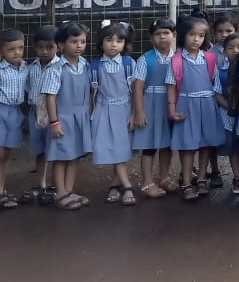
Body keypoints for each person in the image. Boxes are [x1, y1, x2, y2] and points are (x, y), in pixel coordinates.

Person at [167, 16, 224, 203]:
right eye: (192, 34)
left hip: (207, 105)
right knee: (188, 146)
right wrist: (172, 109)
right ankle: (186, 182)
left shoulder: (209, 58)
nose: (196, 39)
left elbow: (215, 84)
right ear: (183, 35)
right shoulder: (176, 60)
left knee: (206, 144)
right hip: (186, 105)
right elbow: (171, 85)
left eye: (201, 35)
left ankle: (201, 179)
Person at [41, 23, 94, 211]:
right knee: (61, 156)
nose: (79, 46)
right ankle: (60, 192)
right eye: (74, 41)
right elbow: (50, 97)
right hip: (63, 118)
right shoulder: (55, 68)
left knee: (75, 155)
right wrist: (54, 121)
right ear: (61, 45)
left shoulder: (86, 65)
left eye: (82, 42)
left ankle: (70, 190)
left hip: (81, 116)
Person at [91, 22, 136, 207]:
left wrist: (134, 113)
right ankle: (127, 186)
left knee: (122, 150)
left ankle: (115, 185)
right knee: (113, 149)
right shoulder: (94, 66)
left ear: (125, 44)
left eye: (119, 41)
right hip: (103, 111)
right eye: (109, 40)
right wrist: (91, 115)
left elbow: (136, 91)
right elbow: (91, 93)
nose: (114, 44)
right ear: (101, 43)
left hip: (125, 111)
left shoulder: (129, 63)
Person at [131, 17, 175, 198]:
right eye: (158, 34)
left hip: (169, 105)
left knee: (167, 145)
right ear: (151, 38)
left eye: (166, 33)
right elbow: (138, 87)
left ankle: (164, 177)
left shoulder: (178, 58)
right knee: (149, 146)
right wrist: (139, 112)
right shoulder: (145, 59)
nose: (162, 37)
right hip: (150, 105)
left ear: (174, 35)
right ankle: (147, 183)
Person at [0, 29, 28, 210]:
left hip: (16, 113)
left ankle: (1, 189)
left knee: (7, 153)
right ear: (0, 52)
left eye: (20, 48)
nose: (17, 52)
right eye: (11, 49)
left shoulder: (26, 68)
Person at [23, 25, 59, 205]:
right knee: (40, 150)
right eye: (40, 47)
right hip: (35, 111)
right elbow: (26, 91)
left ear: (58, 46)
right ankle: (42, 184)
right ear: (34, 47)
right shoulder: (31, 68)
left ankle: (58, 185)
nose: (44, 51)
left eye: (49, 47)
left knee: (57, 149)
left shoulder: (61, 66)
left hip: (55, 113)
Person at [212, 32, 239, 195]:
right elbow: (217, 94)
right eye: (230, 48)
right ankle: (237, 177)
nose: (235, 51)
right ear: (224, 51)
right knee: (233, 147)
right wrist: (230, 108)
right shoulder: (220, 72)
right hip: (228, 115)